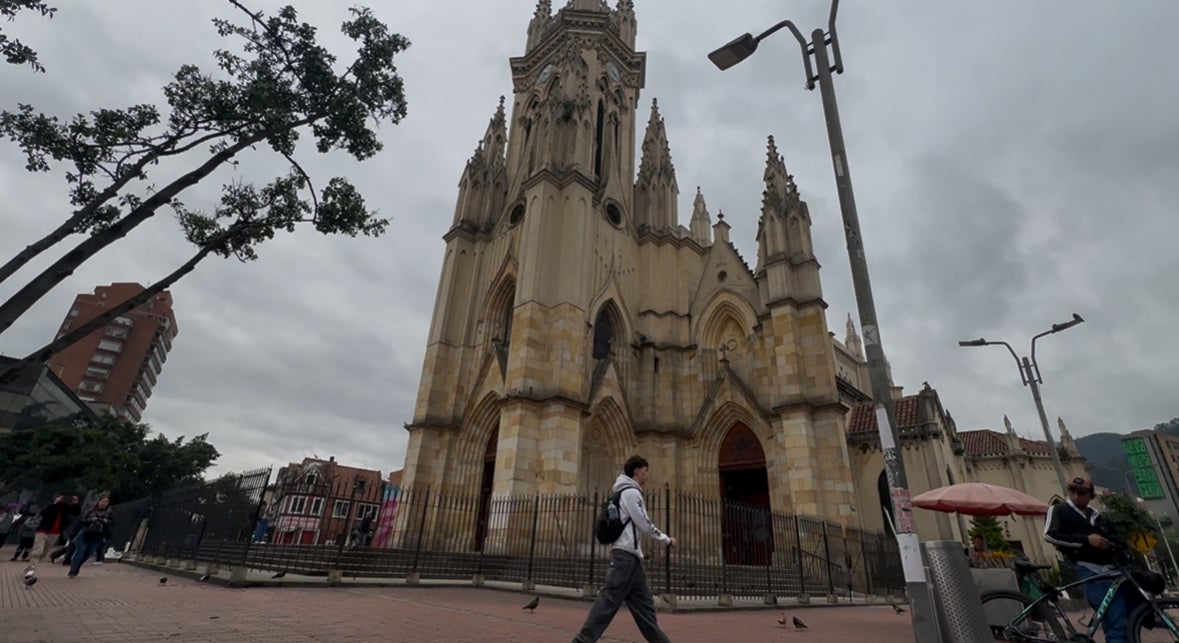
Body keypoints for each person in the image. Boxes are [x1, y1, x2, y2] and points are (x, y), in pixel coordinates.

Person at [572, 455, 675, 643]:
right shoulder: (631, 493)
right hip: (624, 558)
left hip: (632, 560)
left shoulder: (626, 492)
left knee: (644, 607)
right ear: (637, 471)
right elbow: (644, 523)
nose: (647, 475)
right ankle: (582, 641)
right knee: (608, 602)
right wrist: (666, 539)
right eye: (645, 470)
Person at [1043, 476, 1131, 643]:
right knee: (1115, 621)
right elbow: (1049, 535)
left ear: (1090, 495)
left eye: (1081, 493)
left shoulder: (1098, 517)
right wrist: (1086, 541)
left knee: (1123, 619)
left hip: (1111, 571)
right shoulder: (1059, 510)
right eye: (1072, 491)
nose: (1076, 496)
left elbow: (1117, 539)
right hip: (1088, 570)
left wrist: (1109, 544)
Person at [69, 495, 113, 578]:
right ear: (99, 501)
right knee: (80, 551)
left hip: (98, 536)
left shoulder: (109, 512)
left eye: (106, 502)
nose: (104, 503)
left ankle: (77, 567)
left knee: (88, 553)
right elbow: (82, 520)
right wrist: (91, 520)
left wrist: (105, 521)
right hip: (86, 533)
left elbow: (112, 522)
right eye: (102, 501)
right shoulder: (91, 510)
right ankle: (73, 570)